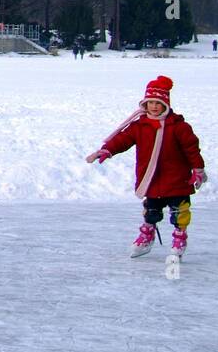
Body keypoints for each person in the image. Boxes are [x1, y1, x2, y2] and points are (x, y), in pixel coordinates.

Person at [86, 76, 206, 260]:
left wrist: (197, 170)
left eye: (158, 103)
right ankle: (147, 236)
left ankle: (179, 238)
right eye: (150, 102)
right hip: (151, 179)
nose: (154, 106)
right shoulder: (140, 126)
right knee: (151, 211)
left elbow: (192, 149)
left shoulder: (179, 127)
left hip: (177, 180)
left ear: (165, 104)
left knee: (179, 212)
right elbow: (123, 139)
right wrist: (107, 150)